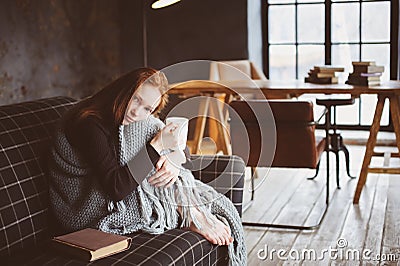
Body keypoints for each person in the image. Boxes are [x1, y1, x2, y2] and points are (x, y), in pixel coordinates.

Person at [47, 67, 235, 247]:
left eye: (147, 109)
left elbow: (181, 148)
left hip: (115, 186)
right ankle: (188, 211)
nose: (136, 112)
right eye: (135, 99)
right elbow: (116, 188)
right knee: (148, 133)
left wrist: (174, 161)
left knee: (149, 128)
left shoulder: (127, 118)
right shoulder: (89, 123)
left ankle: (189, 209)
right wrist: (156, 146)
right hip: (85, 205)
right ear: (123, 90)